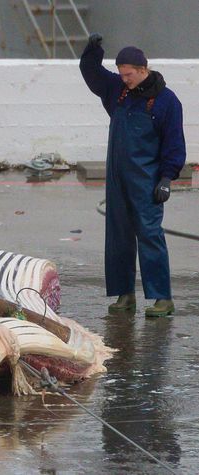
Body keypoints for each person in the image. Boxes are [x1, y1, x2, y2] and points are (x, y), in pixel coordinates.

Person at [80, 34, 186, 317]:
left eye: (128, 74)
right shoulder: (117, 90)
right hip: (117, 179)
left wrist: (166, 179)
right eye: (121, 74)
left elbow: (174, 144)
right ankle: (125, 295)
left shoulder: (166, 101)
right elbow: (92, 74)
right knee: (118, 236)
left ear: (143, 69)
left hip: (146, 180)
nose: (124, 78)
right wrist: (92, 51)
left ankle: (162, 298)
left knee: (150, 235)